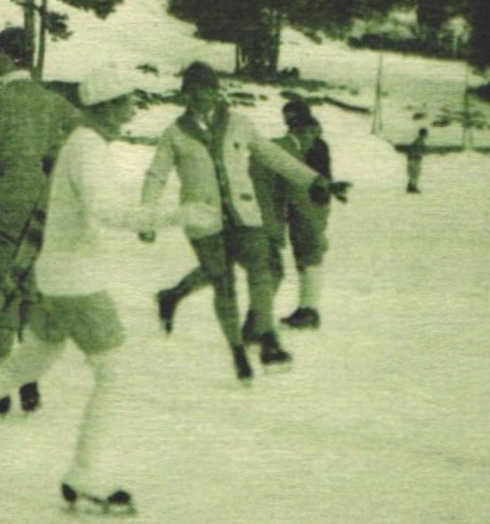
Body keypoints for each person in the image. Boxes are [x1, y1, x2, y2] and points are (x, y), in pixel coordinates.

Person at [0, 69, 204, 513]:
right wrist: (175, 216)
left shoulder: (85, 145)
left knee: (27, 363)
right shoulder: (88, 148)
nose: (133, 108)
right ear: (108, 104)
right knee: (116, 376)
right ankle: (85, 475)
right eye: (128, 100)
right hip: (77, 282)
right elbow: (106, 211)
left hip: (58, 276)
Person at [143, 63, 343, 382]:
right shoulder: (175, 134)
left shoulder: (238, 124)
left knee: (262, 268)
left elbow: (272, 156)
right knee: (220, 278)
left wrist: (314, 180)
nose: (201, 97)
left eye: (207, 89)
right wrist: (148, 216)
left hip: (244, 215)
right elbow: (157, 175)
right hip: (203, 220)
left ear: (217, 91)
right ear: (185, 96)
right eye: (193, 91)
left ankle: (267, 339)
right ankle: (219, 335)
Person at [0, 27, 80, 415]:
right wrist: (51, 157)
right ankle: (30, 378)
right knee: (29, 289)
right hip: (39, 205)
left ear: (5, 56)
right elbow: (78, 129)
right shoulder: (50, 101)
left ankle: (0, 384)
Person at [251, 100, 335, 331]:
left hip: (309, 202)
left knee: (309, 254)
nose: (286, 120)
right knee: (306, 255)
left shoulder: (312, 143)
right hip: (303, 202)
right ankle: (307, 308)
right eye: (285, 116)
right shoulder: (307, 141)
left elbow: (309, 178)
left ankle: (309, 309)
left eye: (290, 116)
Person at [404, 128, 428, 193]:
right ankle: (412, 187)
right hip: (414, 159)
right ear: (423, 134)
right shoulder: (419, 141)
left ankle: (410, 186)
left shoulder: (418, 141)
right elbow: (416, 151)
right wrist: (418, 155)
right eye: (426, 134)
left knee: (413, 173)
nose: (427, 135)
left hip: (412, 159)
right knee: (415, 173)